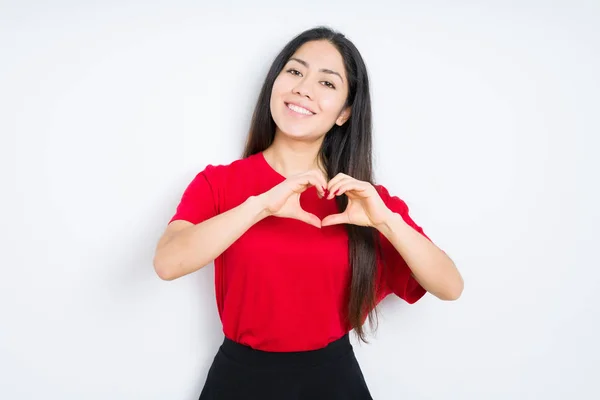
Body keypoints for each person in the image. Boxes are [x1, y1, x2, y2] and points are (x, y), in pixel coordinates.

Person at [153, 26, 464, 400]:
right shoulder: (218, 183)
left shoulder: (364, 201)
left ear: (345, 113)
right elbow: (168, 263)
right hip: (239, 381)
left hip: (334, 382)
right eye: (295, 72)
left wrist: (387, 221)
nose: (304, 88)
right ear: (275, 83)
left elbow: (450, 286)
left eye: (327, 83)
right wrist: (260, 205)